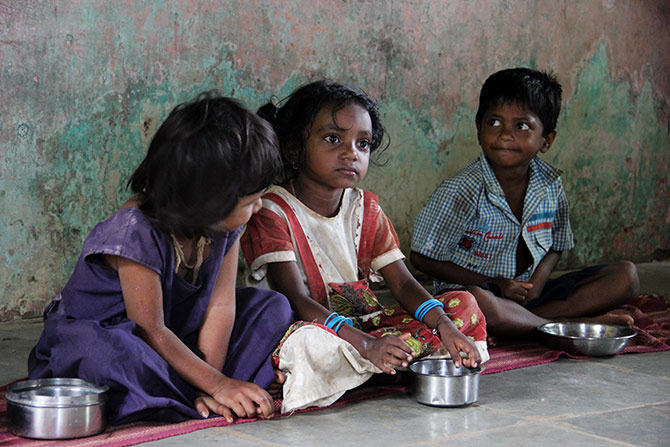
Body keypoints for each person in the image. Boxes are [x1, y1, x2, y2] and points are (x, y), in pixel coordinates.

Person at [28, 93, 294, 424]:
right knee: (105, 355)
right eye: (251, 201)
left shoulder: (226, 228)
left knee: (273, 308)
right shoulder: (135, 231)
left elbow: (220, 308)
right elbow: (150, 330)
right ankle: (190, 393)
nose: (259, 208)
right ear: (206, 200)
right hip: (121, 337)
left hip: (178, 334)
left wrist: (214, 381)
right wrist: (218, 383)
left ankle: (192, 395)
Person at [241, 80, 487, 395]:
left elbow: (404, 284)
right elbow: (295, 300)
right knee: (307, 345)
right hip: (306, 327)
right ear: (293, 150)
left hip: (364, 326)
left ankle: (378, 366)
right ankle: (388, 363)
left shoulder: (366, 208)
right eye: (333, 139)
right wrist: (367, 345)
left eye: (363, 143)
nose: (351, 153)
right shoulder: (272, 211)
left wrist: (446, 326)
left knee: (463, 304)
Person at [410, 68, 639, 339]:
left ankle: (532, 322)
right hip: (479, 294)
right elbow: (421, 257)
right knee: (477, 303)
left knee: (626, 276)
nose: (505, 134)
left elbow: (557, 244)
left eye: (521, 126)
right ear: (478, 127)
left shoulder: (550, 184)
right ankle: (558, 324)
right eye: (494, 122)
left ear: (547, 140)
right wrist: (496, 283)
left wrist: (538, 282)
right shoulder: (461, 189)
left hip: (528, 295)